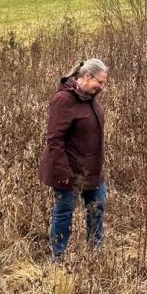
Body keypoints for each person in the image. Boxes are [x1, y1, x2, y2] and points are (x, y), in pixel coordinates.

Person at [38, 58, 109, 260]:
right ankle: (58, 256)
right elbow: (54, 140)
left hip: (91, 169)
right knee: (64, 212)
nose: (102, 87)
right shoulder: (63, 100)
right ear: (86, 77)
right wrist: (64, 174)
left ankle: (95, 254)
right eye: (100, 82)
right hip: (68, 170)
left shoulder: (89, 97)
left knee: (97, 207)